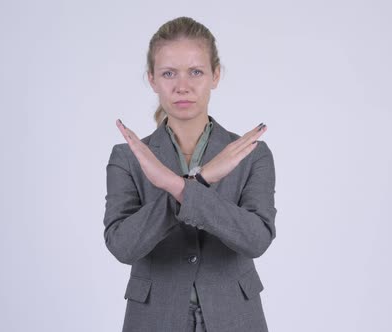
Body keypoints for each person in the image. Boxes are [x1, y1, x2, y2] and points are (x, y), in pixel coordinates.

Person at [103, 16, 277, 332]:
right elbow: (123, 246)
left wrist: (178, 187)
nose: (182, 86)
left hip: (235, 316)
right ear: (152, 79)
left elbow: (257, 240)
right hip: (153, 317)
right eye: (169, 73)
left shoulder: (251, 153)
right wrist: (200, 182)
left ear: (216, 75)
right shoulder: (127, 157)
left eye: (195, 71)